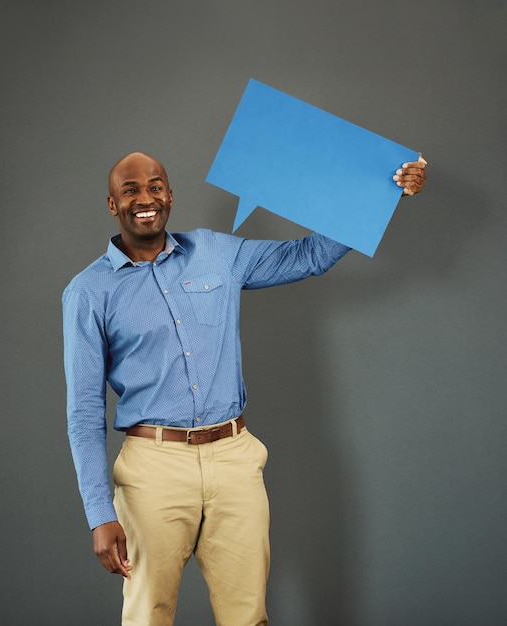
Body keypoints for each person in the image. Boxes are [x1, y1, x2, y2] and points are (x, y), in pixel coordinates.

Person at [63, 150, 427, 626]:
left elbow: (310, 255)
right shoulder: (88, 292)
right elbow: (84, 411)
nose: (145, 198)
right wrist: (98, 513)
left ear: (170, 195)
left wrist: (386, 192)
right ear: (112, 204)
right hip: (153, 469)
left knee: (247, 615)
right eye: (130, 190)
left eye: (155, 186)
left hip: (234, 460)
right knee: (147, 615)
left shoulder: (216, 252)